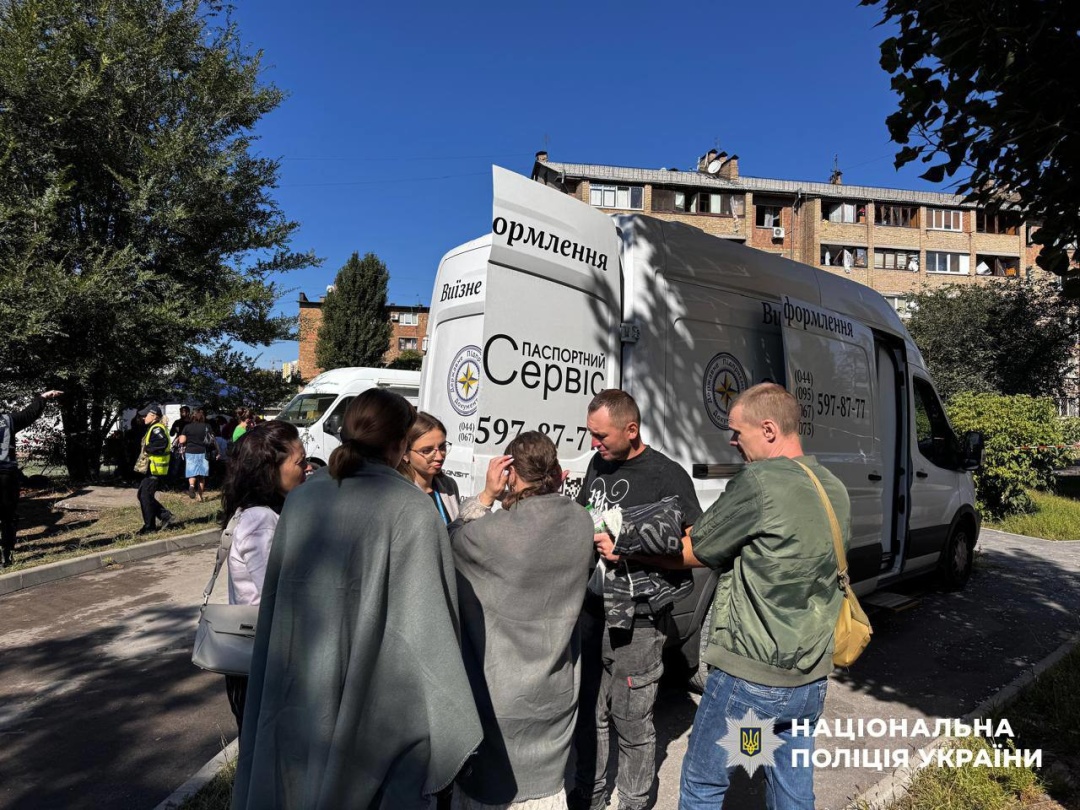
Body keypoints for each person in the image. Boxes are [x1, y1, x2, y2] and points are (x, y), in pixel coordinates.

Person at [232, 389, 482, 810]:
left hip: (301, 687)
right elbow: (429, 628)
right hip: (377, 705)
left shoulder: (303, 499)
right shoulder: (411, 508)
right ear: (400, 444)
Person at [675, 383, 850, 810]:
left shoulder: (760, 481)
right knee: (791, 791)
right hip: (807, 680)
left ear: (768, 429)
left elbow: (696, 548)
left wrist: (629, 547)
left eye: (737, 432)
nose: (732, 441)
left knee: (703, 786)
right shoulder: (832, 487)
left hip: (752, 681)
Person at [570, 389, 702, 810]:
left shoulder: (666, 475)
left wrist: (631, 550)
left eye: (601, 436)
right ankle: (589, 794)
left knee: (631, 719)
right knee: (591, 714)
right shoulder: (598, 463)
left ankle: (633, 801)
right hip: (592, 612)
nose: (594, 443)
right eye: (591, 434)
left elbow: (696, 549)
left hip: (640, 621)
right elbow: (585, 515)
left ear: (631, 429)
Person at [448, 432, 593, 809]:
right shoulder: (581, 522)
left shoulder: (492, 533)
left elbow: (452, 543)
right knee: (545, 789)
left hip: (499, 694)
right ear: (556, 472)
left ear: (510, 473)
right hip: (555, 692)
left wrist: (486, 496)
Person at [219, 420, 310, 733]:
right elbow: (277, 593)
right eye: (300, 462)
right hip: (267, 657)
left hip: (264, 655)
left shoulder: (256, 512)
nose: (308, 468)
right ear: (270, 470)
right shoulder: (261, 519)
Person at [0, 390, 63, 567]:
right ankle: (6, 555)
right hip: (6, 474)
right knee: (8, 516)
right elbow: (29, 414)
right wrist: (43, 398)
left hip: (6, 474)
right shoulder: (8, 420)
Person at [399, 412, 459, 525]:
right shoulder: (399, 494)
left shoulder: (449, 485)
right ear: (405, 453)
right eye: (427, 451)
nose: (439, 457)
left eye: (442, 447)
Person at [135, 403, 174, 536]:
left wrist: (148, 449)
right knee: (143, 495)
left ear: (154, 416)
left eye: (146, 415)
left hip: (155, 469)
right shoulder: (154, 427)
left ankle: (150, 527)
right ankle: (165, 516)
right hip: (152, 468)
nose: (143, 418)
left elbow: (162, 443)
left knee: (145, 496)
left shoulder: (157, 428)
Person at [179, 408, 216, 502]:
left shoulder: (187, 427)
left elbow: (182, 440)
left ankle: (191, 486)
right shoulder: (207, 426)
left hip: (190, 451)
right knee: (201, 476)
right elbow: (212, 439)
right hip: (203, 452)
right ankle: (200, 496)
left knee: (192, 473)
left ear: (192, 416)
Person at [168, 405, 192, 490]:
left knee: (187, 465)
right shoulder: (177, 422)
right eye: (181, 412)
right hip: (178, 446)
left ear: (188, 412)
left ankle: (187, 484)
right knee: (176, 465)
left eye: (183, 412)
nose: (182, 413)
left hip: (188, 445)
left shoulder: (191, 422)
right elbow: (171, 433)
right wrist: (175, 429)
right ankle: (174, 485)